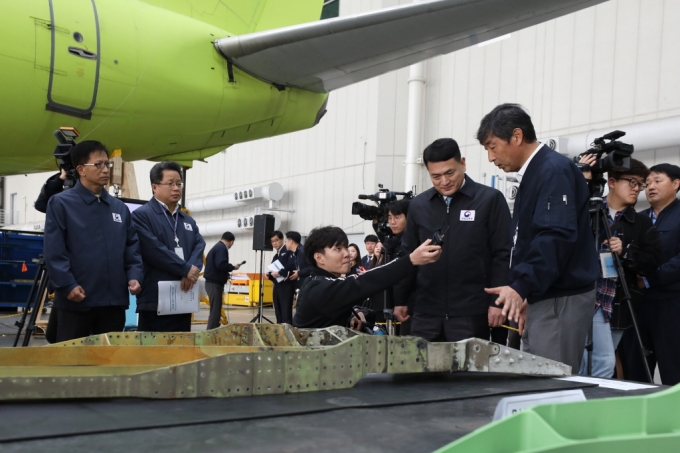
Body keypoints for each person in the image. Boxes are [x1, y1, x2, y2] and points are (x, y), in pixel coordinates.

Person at [478, 103, 598, 372]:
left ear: (517, 136)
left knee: (552, 381)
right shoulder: (536, 172)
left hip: (560, 297)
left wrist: (522, 286)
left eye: (492, 146)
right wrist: (527, 293)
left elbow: (555, 235)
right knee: (535, 377)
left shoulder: (553, 171)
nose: (490, 157)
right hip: (543, 294)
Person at [394, 138, 512, 343]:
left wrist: (497, 302)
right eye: (436, 176)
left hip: (471, 312)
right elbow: (408, 254)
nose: (444, 182)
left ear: (463, 163)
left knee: (466, 374)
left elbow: (502, 254)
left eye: (450, 173)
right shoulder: (419, 205)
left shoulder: (489, 200)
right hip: (425, 313)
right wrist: (401, 299)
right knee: (421, 371)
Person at [44, 140, 143, 342]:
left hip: (113, 303)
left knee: (107, 363)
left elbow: (131, 248)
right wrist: (67, 285)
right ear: (81, 169)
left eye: (107, 164)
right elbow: (54, 250)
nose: (105, 169)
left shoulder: (119, 208)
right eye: (98, 165)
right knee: (72, 365)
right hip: (76, 300)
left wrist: (134, 276)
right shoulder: (61, 203)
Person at [576, 158, 660, 378]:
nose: (637, 189)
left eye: (640, 185)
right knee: (597, 362)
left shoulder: (641, 223)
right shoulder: (588, 209)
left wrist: (626, 252)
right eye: (632, 182)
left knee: (598, 361)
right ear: (611, 182)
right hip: (585, 296)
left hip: (619, 302)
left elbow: (651, 262)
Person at [293, 226, 441, 329]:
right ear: (319, 258)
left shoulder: (318, 282)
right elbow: (365, 281)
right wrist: (411, 260)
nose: (346, 254)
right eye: (338, 249)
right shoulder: (319, 288)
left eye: (346, 247)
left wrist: (352, 317)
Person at [132, 162, 206, 332]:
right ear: (154, 187)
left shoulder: (187, 220)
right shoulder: (142, 215)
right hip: (155, 300)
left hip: (184, 297)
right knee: (154, 354)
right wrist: (184, 269)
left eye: (179, 184)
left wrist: (191, 271)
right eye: (170, 183)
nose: (176, 188)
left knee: (182, 353)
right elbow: (153, 250)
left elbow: (199, 244)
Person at [637, 163, 680, 385]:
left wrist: (649, 279)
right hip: (638, 303)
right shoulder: (638, 218)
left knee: (673, 368)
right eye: (647, 183)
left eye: (657, 181)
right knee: (637, 369)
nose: (650, 187)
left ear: (676, 184)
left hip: (671, 304)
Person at [204, 231, 241, 330]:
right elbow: (220, 264)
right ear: (231, 242)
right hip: (214, 284)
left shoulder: (217, 247)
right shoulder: (222, 248)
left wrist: (225, 274)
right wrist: (232, 267)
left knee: (216, 310)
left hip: (211, 282)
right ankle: (210, 333)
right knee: (215, 311)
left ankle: (214, 330)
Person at [267, 230, 294, 324]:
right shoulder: (276, 256)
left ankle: (287, 334)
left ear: (282, 240)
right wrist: (269, 275)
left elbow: (291, 267)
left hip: (286, 286)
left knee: (285, 312)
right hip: (277, 286)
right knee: (278, 311)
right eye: (272, 241)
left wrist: (279, 273)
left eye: (276, 240)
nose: (274, 243)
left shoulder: (288, 252)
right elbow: (273, 270)